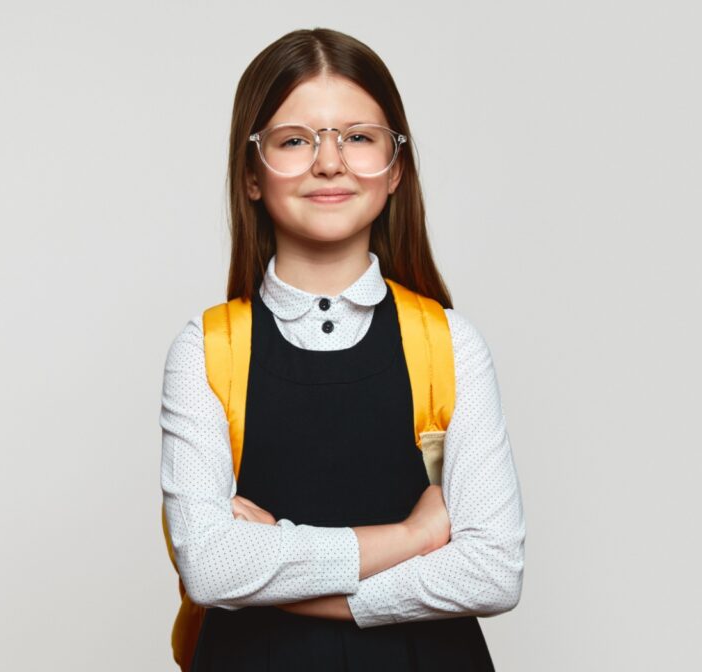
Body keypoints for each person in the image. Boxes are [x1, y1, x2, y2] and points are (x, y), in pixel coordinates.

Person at [159, 27, 526, 671]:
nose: (330, 162)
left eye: (358, 137)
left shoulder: (448, 343)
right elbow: (211, 568)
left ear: (395, 168)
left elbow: (493, 570)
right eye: (295, 140)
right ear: (250, 174)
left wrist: (290, 576)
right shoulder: (207, 349)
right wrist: (412, 538)